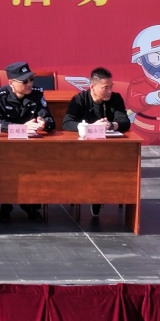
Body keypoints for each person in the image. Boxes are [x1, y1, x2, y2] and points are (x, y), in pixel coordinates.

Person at [0, 61, 53, 223]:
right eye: (25, 81)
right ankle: (6, 205)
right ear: (11, 83)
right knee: (5, 164)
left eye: (31, 79)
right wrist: (22, 128)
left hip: (31, 148)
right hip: (6, 148)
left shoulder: (37, 93)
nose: (30, 84)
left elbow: (51, 121)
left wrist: (43, 123)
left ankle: (30, 204)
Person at [63, 67, 131, 218]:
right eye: (105, 88)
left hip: (109, 149)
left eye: (111, 87)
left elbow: (125, 122)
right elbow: (67, 123)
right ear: (92, 87)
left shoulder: (116, 99)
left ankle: (98, 197)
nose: (109, 91)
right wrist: (89, 127)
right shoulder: (80, 99)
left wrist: (111, 125)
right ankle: (94, 195)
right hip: (83, 149)